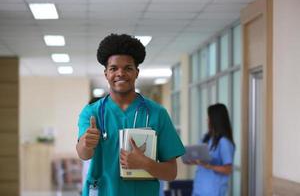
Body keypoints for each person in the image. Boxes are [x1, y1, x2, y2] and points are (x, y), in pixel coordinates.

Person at [76, 34, 185, 196]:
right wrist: (86, 143)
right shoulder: (91, 112)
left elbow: (171, 173)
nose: (121, 73)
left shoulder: (157, 113)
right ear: (106, 73)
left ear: (137, 72)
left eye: (128, 68)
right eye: (113, 68)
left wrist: (146, 163)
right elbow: (84, 155)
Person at [188, 103, 235, 196]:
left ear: (215, 120)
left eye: (209, 117)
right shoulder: (206, 138)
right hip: (199, 189)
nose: (207, 120)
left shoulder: (224, 142)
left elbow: (228, 169)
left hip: (213, 191)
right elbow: (199, 160)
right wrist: (192, 160)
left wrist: (209, 166)